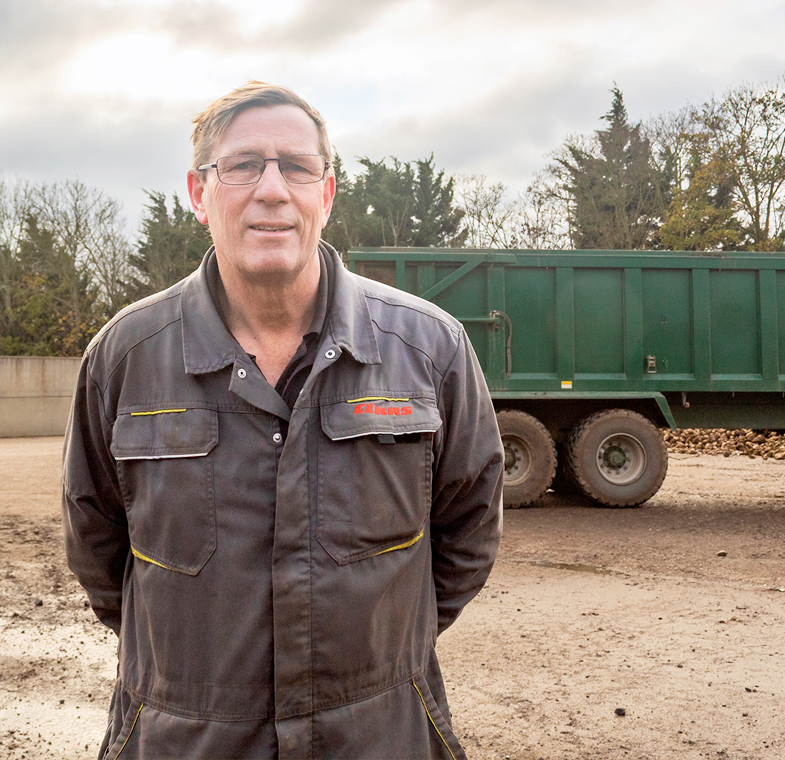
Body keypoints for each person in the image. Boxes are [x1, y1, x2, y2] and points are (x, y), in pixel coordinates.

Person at [62, 81, 503, 759]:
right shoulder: (125, 357)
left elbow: (468, 527)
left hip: (378, 738)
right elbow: (97, 546)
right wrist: (193, 669)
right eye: (242, 166)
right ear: (198, 193)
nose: (272, 189)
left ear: (324, 195)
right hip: (183, 740)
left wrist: (380, 651)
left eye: (296, 167)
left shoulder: (428, 350)